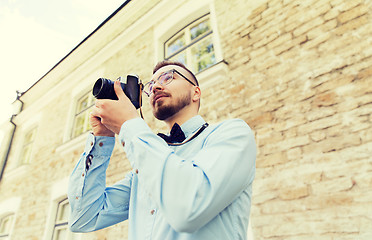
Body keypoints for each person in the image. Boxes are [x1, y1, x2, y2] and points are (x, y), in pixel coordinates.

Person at [68, 60, 256, 240]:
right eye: (150, 86)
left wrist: (129, 125)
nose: (156, 87)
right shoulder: (144, 170)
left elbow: (189, 207)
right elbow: (83, 217)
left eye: (168, 78)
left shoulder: (232, 133)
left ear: (196, 92)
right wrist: (102, 138)